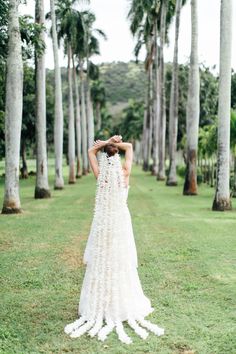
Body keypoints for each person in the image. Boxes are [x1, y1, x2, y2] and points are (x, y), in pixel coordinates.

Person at [64, 135, 165, 344]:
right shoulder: (125, 173)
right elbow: (129, 146)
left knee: (103, 260)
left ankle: (101, 302)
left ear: (104, 157)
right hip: (120, 224)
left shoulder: (101, 176)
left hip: (103, 224)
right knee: (120, 260)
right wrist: (114, 142)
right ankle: (118, 302)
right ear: (117, 155)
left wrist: (105, 143)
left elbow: (90, 152)